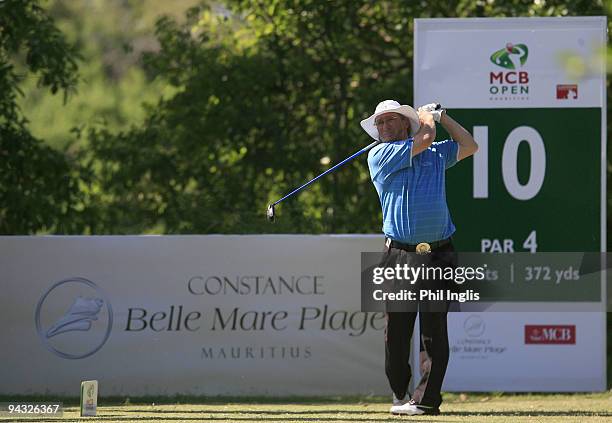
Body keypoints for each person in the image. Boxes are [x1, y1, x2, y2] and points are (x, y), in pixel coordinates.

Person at [360, 100, 478, 416]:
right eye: (379, 123)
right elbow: (424, 138)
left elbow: (469, 145)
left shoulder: (436, 153)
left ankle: (426, 400)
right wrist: (427, 118)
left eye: (389, 121)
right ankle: (400, 392)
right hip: (399, 253)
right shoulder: (379, 154)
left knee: (433, 329)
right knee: (396, 332)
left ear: (405, 124)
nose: (383, 127)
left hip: (439, 252)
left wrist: (443, 117)